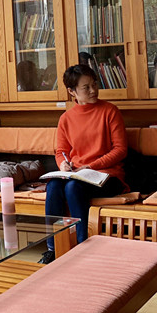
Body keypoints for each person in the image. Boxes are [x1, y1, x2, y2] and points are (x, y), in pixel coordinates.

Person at [39, 65, 127, 263]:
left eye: (94, 84)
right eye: (86, 87)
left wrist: (91, 166)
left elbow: (120, 150)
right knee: (54, 186)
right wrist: (63, 164)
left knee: (73, 187)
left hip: (108, 176)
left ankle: (83, 246)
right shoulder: (66, 119)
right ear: (72, 91)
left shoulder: (110, 111)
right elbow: (61, 151)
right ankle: (53, 247)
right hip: (78, 174)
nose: (93, 90)